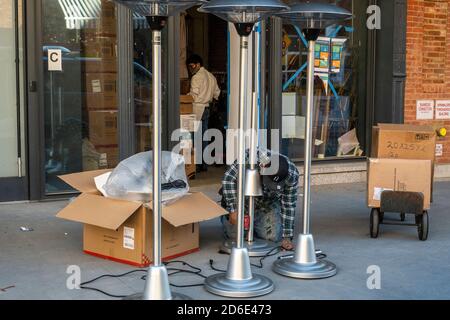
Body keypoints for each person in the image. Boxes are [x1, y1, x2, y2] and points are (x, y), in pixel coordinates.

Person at [220, 148, 300, 251]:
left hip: (266, 203)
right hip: (241, 201)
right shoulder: (250, 157)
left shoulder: (292, 175)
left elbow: (289, 205)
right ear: (263, 167)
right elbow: (228, 179)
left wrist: (287, 237)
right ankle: (228, 217)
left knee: (274, 237)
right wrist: (233, 209)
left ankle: (256, 223)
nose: (272, 186)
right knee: (236, 235)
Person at [186, 54, 220, 172]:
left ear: (198, 64)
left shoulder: (196, 77)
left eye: (192, 65)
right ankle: (204, 164)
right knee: (204, 137)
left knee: (194, 137)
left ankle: (196, 164)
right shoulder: (211, 76)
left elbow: (193, 95)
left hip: (196, 108)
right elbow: (217, 93)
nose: (191, 68)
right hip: (207, 108)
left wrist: (184, 98)